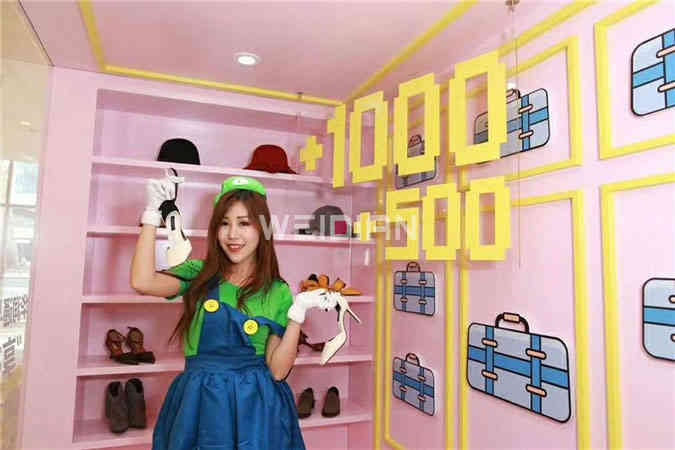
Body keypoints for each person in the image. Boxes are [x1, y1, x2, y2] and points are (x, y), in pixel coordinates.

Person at [130, 174, 339, 450]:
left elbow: (278, 371)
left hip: (257, 408)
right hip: (201, 403)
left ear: (262, 229)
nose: (232, 235)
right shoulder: (200, 274)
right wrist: (151, 213)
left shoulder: (277, 290)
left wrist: (297, 315)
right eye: (224, 223)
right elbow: (143, 282)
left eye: (244, 223)